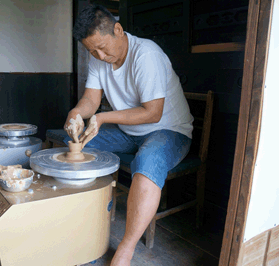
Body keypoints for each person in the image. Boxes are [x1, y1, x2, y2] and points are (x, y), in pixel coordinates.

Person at [63, 4, 194, 266]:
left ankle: (126, 249)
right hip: (129, 132)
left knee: (146, 164)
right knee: (76, 142)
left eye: (102, 47)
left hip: (169, 131)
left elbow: (153, 113)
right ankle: (73, 216)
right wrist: (77, 113)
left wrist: (100, 117)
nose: (99, 55)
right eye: (92, 51)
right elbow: (91, 99)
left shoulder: (146, 54)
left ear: (118, 30)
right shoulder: (98, 57)